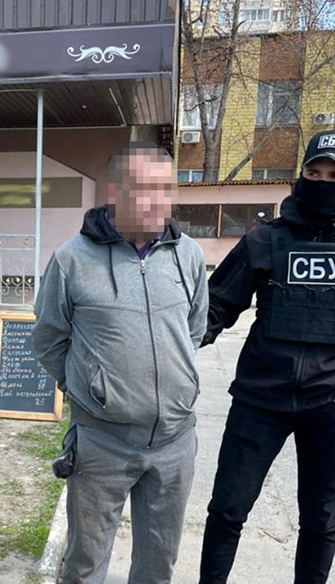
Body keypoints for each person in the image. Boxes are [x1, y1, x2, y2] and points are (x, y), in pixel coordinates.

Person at [32, 142, 209, 584]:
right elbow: (49, 339)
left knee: (158, 566)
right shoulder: (71, 259)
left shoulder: (188, 255)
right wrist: (91, 390)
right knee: (84, 565)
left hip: (174, 443)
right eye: (143, 188)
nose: (156, 201)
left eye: (165, 188)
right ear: (115, 191)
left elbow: (194, 329)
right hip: (102, 443)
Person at [198, 130, 335, 584]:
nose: (323, 182)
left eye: (333, 175)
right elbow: (217, 306)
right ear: (300, 176)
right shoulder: (265, 240)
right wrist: (168, 344)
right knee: (227, 509)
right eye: (314, 172)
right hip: (260, 399)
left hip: (329, 404)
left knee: (322, 520)